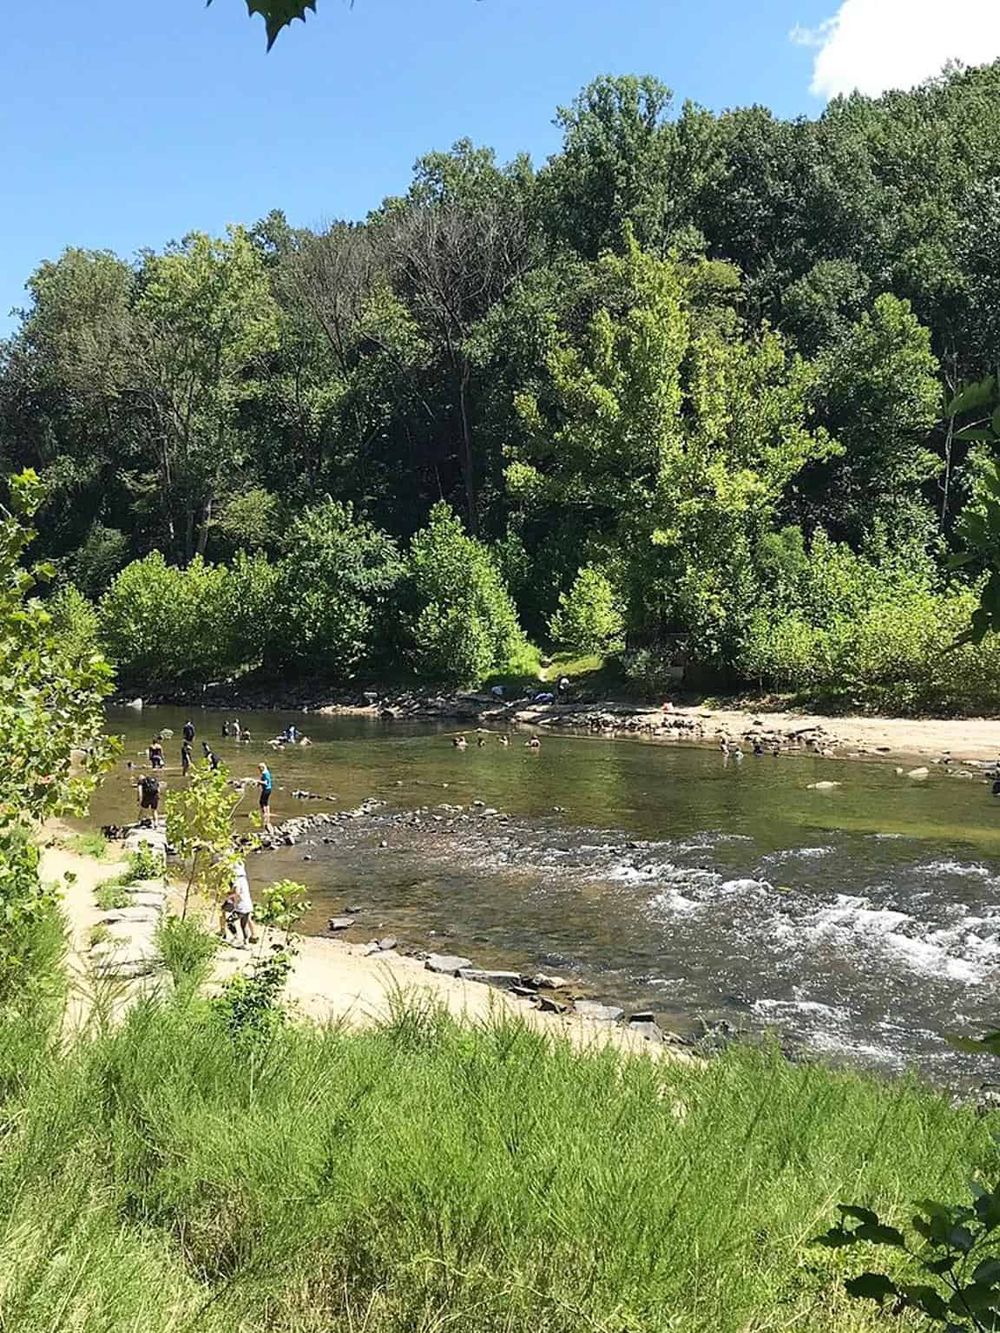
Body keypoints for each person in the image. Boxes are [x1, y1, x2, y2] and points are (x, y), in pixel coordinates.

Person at [220, 859, 257, 945]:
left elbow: (237, 892)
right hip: (248, 907)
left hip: (241, 908)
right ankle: (245, 943)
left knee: (229, 921)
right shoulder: (244, 880)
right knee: (243, 925)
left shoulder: (236, 880)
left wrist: (228, 895)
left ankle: (236, 937)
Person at [258, 762, 273, 830]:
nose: (259, 770)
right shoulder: (266, 772)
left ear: (262, 768)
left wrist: (258, 782)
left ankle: (265, 814)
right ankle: (267, 814)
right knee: (266, 802)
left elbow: (265, 782)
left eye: (259, 768)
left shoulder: (265, 774)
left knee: (261, 802)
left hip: (266, 789)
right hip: (269, 789)